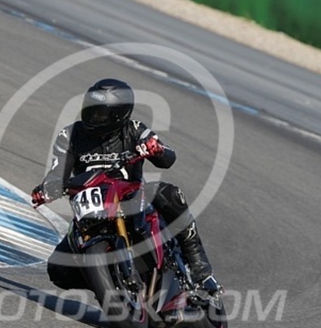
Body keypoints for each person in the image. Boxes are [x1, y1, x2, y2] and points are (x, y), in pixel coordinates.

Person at [31, 78, 220, 295]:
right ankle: (110, 279)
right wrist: (46, 190)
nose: (93, 117)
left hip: (132, 197)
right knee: (58, 270)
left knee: (169, 194)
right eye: (90, 109)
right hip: (91, 208)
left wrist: (156, 149)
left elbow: (168, 158)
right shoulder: (70, 135)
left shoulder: (134, 129)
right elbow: (57, 174)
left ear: (118, 115)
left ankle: (199, 265)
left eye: (100, 113)